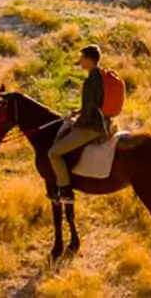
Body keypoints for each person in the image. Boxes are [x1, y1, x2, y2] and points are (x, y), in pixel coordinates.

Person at [48, 45, 110, 204]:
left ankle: (65, 190)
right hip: (102, 121)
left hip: (92, 127)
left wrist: (76, 124)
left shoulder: (90, 81)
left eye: (82, 58)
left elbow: (89, 112)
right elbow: (93, 104)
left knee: (53, 153)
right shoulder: (101, 76)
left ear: (89, 60)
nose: (80, 61)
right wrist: (78, 112)